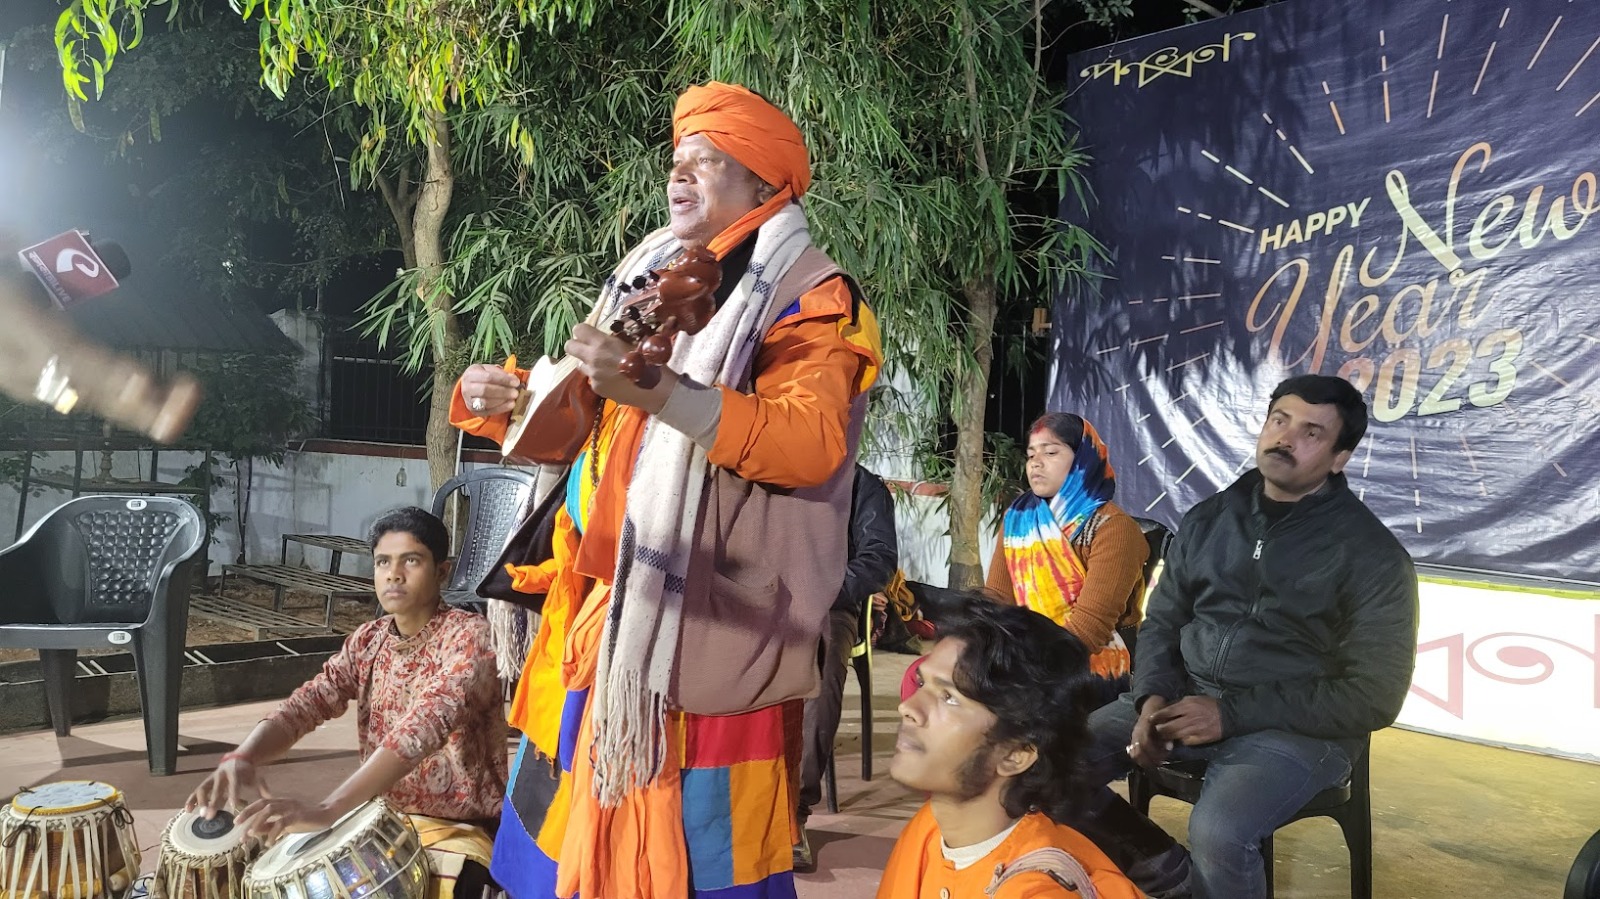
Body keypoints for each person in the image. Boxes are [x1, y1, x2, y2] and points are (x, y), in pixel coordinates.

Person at [452, 82, 881, 899]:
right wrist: (506, 394)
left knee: (701, 859)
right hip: (601, 616)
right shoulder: (650, 270)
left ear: (764, 183)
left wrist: (660, 394)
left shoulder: (811, 295)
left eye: (706, 163)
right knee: (554, 842)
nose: (679, 178)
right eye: (676, 162)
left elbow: (810, 443)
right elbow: (590, 416)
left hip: (706, 633)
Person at [1062, 375, 1418, 899]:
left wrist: (1231, 714)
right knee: (1044, 768)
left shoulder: (1373, 556)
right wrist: (1152, 695)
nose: (1285, 438)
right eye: (1280, 420)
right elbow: (1163, 621)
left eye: (1311, 432)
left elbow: (1375, 695)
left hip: (1299, 731)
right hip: (1183, 701)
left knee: (1220, 831)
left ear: (1340, 457)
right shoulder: (1209, 520)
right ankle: (1164, 874)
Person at [188, 507, 507, 898]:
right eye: (383, 562)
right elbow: (309, 703)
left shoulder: (470, 637)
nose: (394, 573)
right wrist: (243, 756)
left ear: (442, 571)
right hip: (379, 822)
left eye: (412, 560)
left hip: (460, 829)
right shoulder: (367, 640)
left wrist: (328, 810)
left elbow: (421, 729)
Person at [877, 597, 1141, 899]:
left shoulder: (1039, 890)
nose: (908, 707)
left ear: (1017, 754)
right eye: (923, 685)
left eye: (950, 697)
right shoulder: (930, 829)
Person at [987, 412, 1149, 704]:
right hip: (1028, 649)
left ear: (1082, 460)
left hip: (1091, 658)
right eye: (1031, 454)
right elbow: (996, 600)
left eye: (1050, 452)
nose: (1036, 462)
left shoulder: (1114, 529)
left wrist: (1020, 664)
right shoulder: (1017, 519)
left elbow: (1088, 629)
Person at [795, 463, 898, 871]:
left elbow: (878, 559)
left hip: (832, 603)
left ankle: (792, 809)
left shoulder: (863, 487)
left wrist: (820, 592)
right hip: (765, 599)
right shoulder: (773, 471)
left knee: (819, 665)